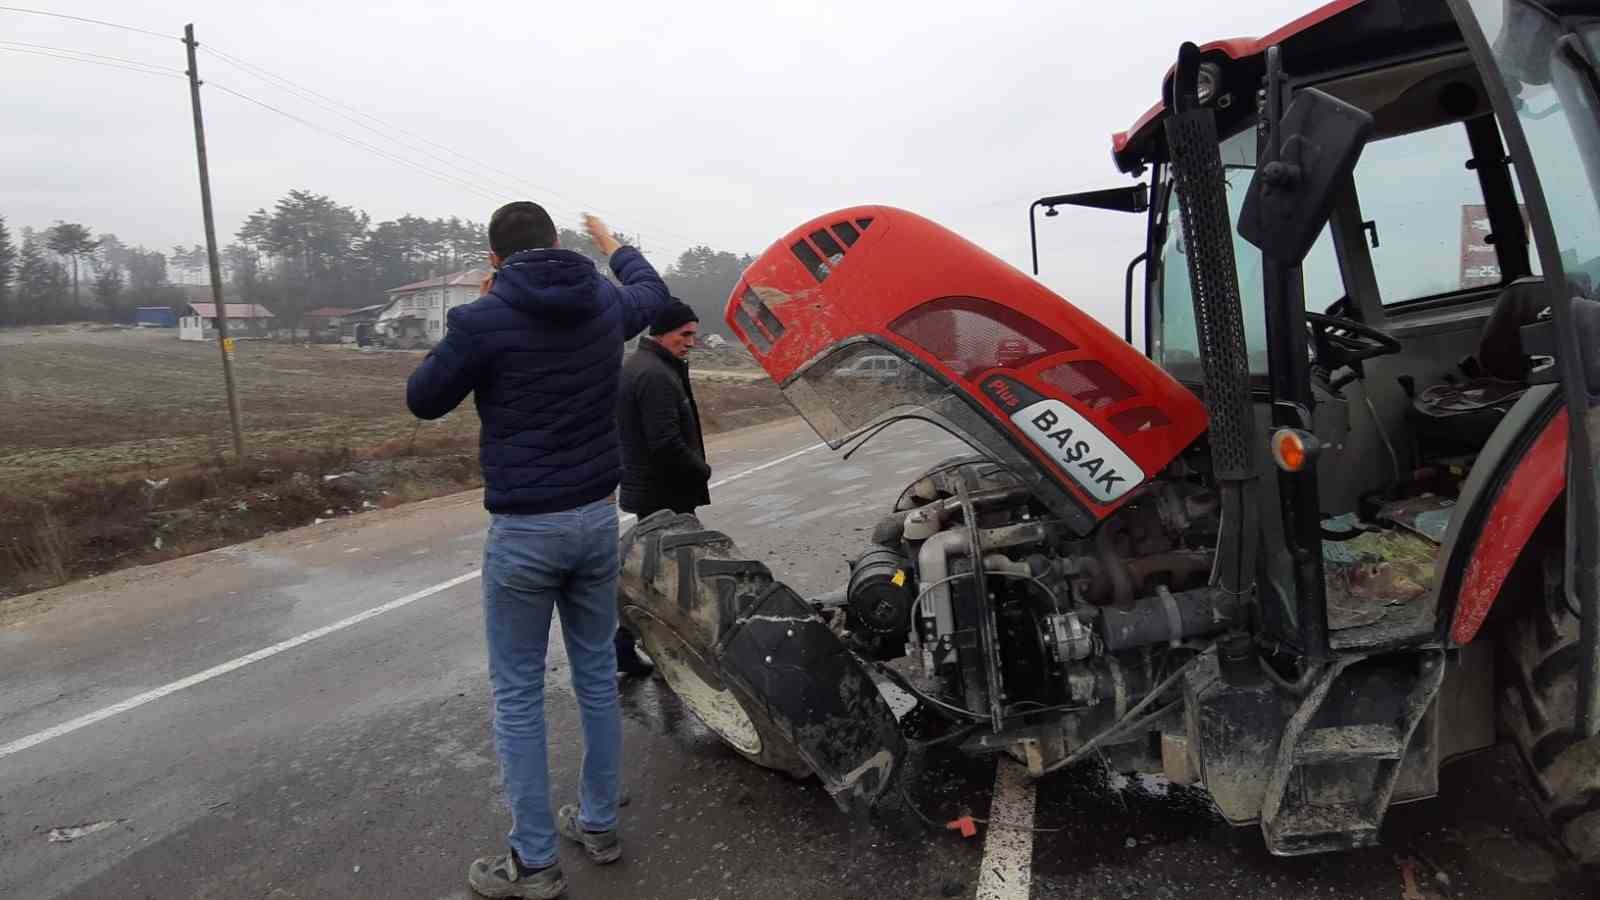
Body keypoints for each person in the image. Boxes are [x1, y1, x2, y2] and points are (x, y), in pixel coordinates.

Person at [407, 202, 669, 900]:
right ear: (557, 243)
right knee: (593, 679)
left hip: (525, 532)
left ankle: (534, 863)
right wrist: (615, 243)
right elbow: (653, 293)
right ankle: (600, 825)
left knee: (519, 693)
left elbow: (423, 398)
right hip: (593, 522)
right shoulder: (605, 303)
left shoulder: (483, 318)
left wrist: (478, 316)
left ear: (495, 259)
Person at [614, 301, 710, 674]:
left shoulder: (649, 366)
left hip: (657, 491)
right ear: (661, 332)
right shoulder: (653, 374)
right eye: (684, 334)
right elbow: (665, 442)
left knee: (658, 576)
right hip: (664, 494)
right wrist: (701, 468)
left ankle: (625, 646)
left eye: (693, 335)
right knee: (672, 580)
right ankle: (660, 652)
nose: (690, 342)